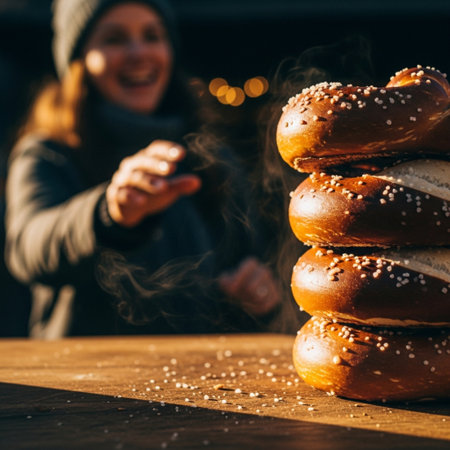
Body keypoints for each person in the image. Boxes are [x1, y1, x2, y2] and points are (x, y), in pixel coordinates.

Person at [5, 0, 300, 339]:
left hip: (202, 378)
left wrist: (258, 295)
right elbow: (28, 248)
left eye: (152, 35)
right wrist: (109, 211)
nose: (139, 52)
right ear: (78, 61)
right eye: (114, 39)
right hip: (81, 381)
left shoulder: (209, 154)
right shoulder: (49, 152)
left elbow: (248, 264)